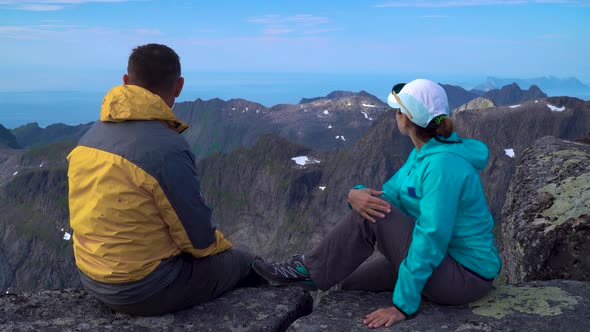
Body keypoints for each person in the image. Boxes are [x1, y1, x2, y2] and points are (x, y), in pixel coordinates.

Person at [252, 79, 502, 328]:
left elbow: (432, 236)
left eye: (398, 110)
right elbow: (390, 196)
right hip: (443, 263)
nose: (396, 115)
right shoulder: (422, 155)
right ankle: (314, 272)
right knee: (351, 286)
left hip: (464, 276)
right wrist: (355, 194)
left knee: (371, 217)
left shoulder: (443, 166)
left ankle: (308, 270)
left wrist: (402, 306)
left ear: (406, 119)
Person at [67, 43, 260, 316]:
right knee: (245, 261)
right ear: (178, 86)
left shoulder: (89, 138)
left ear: (126, 81)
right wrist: (225, 250)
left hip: (91, 277)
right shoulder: (166, 148)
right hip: (144, 289)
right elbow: (199, 241)